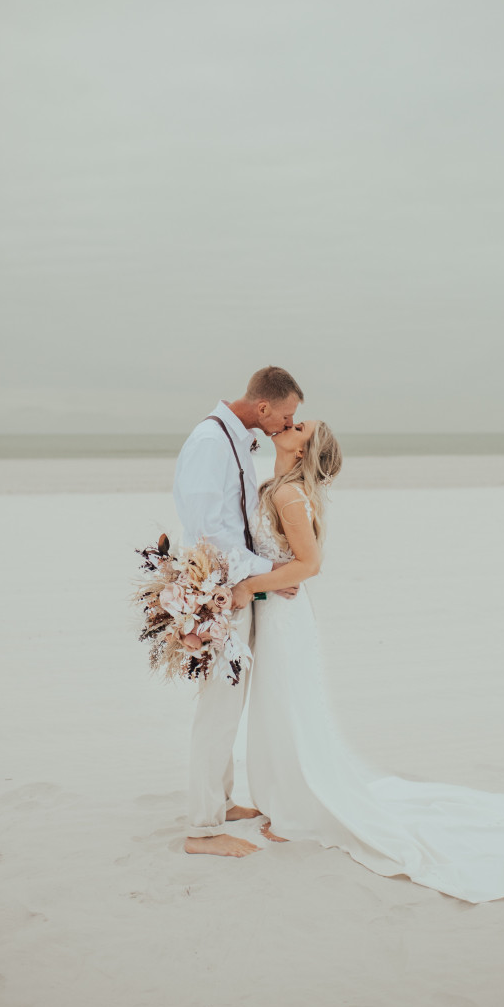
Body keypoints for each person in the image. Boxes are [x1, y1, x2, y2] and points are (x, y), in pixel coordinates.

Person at [229, 420, 504, 903]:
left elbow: (310, 564)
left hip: (284, 616)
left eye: (300, 427)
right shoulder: (272, 488)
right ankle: (285, 797)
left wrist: (250, 585)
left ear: (303, 452)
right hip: (277, 614)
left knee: (287, 705)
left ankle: (298, 808)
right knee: (277, 704)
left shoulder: (290, 495)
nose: (289, 425)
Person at [173, 365, 304, 858]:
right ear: (264, 406)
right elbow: (210, 533)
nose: (287, 426)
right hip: (220, 591)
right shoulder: (211, 442)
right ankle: (201, 830)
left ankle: (221, 802)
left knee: (227, 704)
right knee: (218, 711)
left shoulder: (233, 438)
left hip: (235, 587)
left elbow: (234, 521)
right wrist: (266, 568)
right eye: (286, 415)